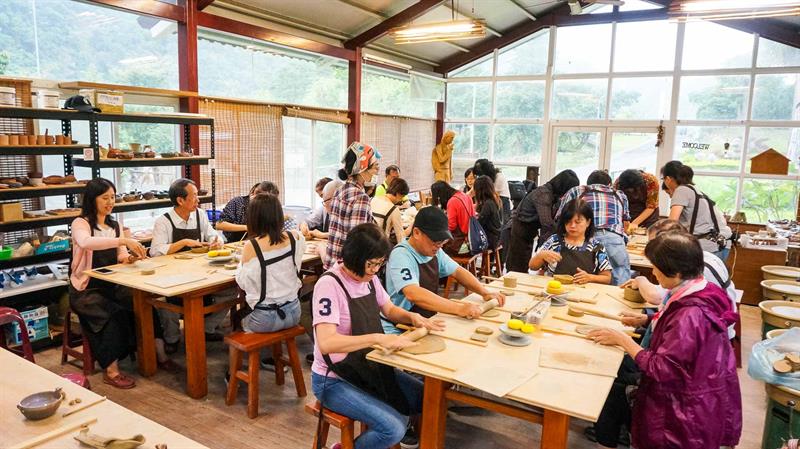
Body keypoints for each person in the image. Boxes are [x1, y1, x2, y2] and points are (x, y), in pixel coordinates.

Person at [588, 232, 741, 449]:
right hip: (700, 393)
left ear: (676, 271)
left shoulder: (691, 315)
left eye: (656, 266)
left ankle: (608, 436)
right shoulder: (700, 289)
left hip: (684, 410)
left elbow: (662, 368)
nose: (653, 271)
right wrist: (649, 318)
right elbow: (680, 333)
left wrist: (623, 340)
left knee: (614, 373)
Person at [312, 223, 444, 449]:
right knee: (393, 428)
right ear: (353, 257)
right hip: (333, 380)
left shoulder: (370, 279)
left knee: (426, 397)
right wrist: (377, 338)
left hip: (367, 366)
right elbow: (326, 343)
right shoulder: (329, 285)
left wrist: (412, 318)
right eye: (371, 264)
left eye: (379, 264)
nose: (375, 270)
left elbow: (389, 309)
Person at [69, 178, 176, 389]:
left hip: (113, 284)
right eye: (105, 198)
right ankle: (112, 371)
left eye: (113, 197)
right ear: (92, 199)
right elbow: (86, 242)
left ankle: (160, 356)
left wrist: (133, 258)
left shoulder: (114, 225)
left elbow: (121, 256)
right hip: (86, 289)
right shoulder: (80, 223)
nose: (110, 202)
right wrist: (123, 240)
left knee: (145, 305)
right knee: (113, 316)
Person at [382, 206, 506, 333]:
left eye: (442, 242)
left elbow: (457, 271)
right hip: (400, 327)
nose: (439, 246)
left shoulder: (435, 251)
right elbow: (413, 293)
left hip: (427, 321)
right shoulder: (401, 255)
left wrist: (484, 292)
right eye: (435, 241)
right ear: (417, 233)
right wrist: (459, 308)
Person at [151, 178, 229, 346]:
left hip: (200, 271)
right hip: (172, 275)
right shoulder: (163, 221)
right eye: (194, 196)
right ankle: (171, 339)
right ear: (180, 200)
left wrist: (217, 241)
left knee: (230, 291)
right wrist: (184, 242)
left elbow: (214, 234)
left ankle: (206, 329)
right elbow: (155, 251)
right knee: (166, 301)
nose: (198, 200)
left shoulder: (199, 215)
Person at [555, 170, 631, 285]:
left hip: (585, 238)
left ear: (587, 183)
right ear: (609, 184)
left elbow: (561, 217)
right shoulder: (620, 194)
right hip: (614, 240)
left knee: (583, 280)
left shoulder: (577, 190)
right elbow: (626, 224)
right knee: (621, 283)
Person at [506, 170, 579, 273]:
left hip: (529, 230)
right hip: (520, 228)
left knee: (523, 264)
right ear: (564, 187)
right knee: (517, 267)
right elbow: (547, 223)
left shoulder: (552, 195)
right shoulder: (543, 194)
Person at [661, 160, 732, 262]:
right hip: (720, 243)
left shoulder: (681, 190)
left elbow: (671, 223)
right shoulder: (695, 190)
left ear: (668, 179)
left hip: (709, 246)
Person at [324, 142, 380, 269]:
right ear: (362, 170)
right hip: (346, 270)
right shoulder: (360, 198)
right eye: (375, 168)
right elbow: (357, 241)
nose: (377, 172)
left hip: (332, 266)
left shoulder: (340, 190)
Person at [529, 199, 612, 285]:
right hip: (555, 290)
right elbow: (532, 266)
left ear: (588, 222)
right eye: (568, 222)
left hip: (584, 293)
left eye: (577, 222)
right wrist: (541, 255)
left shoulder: (596, 246)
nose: (572, 226)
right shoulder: (554, 241)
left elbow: (607, 278)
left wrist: (590, 277)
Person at [217, 181, 298, 242]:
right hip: (236, 243)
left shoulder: (271, 206)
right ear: (254, 193)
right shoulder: (238, 202)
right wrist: (247, 228)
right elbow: (219, 224)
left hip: (262, 243)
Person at [430, 180, 474, 256]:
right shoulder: (464, 195)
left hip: (462, 245)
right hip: (472, 240)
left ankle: (443, 267)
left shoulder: (452, 201)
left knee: (435, 250)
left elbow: (451, 226)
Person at [614, 169, 660, 233]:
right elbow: (618, 206)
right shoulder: (618, 184)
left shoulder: (651, 181)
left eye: (634, 189)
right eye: (628, 190)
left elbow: (651, 206)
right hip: (629, 213)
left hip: (649, 215)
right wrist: (625, 221)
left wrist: (634, 223)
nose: (633, 194)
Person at [371, 178, 412, 245]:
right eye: (402, 196)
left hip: (368, 243)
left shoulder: (373, 199)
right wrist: (412, 225)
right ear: (398, 194)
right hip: (381, 247)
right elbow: (401, 238)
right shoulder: (393, 209)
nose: (401, 200)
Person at [473, 159, 511, 223]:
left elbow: (493, 196)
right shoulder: (485, 180)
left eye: (480, 175)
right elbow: (473, 192)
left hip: (502, 204)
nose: (479, 178)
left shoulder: (499, 178)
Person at [473, 176, 502, 250]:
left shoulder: (488, 204)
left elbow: (479, 224)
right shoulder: (495, 200)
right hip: (497, 238)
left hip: (490, 240)